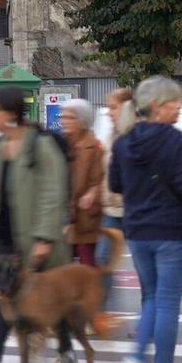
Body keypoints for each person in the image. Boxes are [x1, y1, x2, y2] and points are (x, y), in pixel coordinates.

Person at [0, 87, 72, 363]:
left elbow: (54, 192)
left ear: (11, 113)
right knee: (4, 298)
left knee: (53, 302)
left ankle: (66, 352)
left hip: (37, 240)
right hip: (7, 241)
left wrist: (45, 238)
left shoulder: (40, 145)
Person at [110, 76, 182, 363]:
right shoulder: (175, 140)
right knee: (168, 303)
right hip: (171, 230)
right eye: (175, 102)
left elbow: (116, 184)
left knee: (151, 298)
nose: (180, 107)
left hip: (137, 229)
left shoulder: (123, 142)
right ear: (158, 106)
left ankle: (135, 359)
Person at [98, 91, 136, 311]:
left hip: (132, 210)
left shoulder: (135, 136)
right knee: (103, 260)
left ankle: (147, 320)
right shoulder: (111, 135)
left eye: (113, 107)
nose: (108, 113)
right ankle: (102, 312)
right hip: (110, 209)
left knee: (144, 267)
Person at [60, 99, 105, 268]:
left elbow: (100, 180)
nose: (63, 121)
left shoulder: (95, 148)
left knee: (87, 269)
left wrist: (92, 193)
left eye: (69, 117)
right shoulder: (60, 144)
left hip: (85, 220)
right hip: (63, 217)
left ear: (82, 120)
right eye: (63, 116)